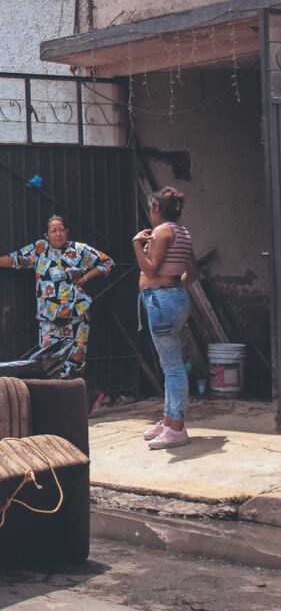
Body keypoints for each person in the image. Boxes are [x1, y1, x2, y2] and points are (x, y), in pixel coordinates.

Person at [0, 216, 114, 379]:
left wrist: (84, 278)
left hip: (76, 314)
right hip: (49, 317)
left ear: (67, 232)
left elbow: (107, 262)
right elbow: (14, 259)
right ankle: (55, 397)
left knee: (76, 360)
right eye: (53, 231)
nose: (58, 234)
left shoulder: (79, 250)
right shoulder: (40, 249)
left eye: (61, 230)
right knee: (48, 360)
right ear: (46, 235)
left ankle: (75, 397)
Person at [134, 187, 197, 450]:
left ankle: (176, 428)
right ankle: (169, 419)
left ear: (157, 208)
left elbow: (149, 268)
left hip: (161, 300)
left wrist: (137, 243)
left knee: (172, 367)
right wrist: (174, 287)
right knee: (170, 363)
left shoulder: (161, 232)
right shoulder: (182, 232)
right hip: (174, 298)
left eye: (151, 209)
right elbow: (192, 273)